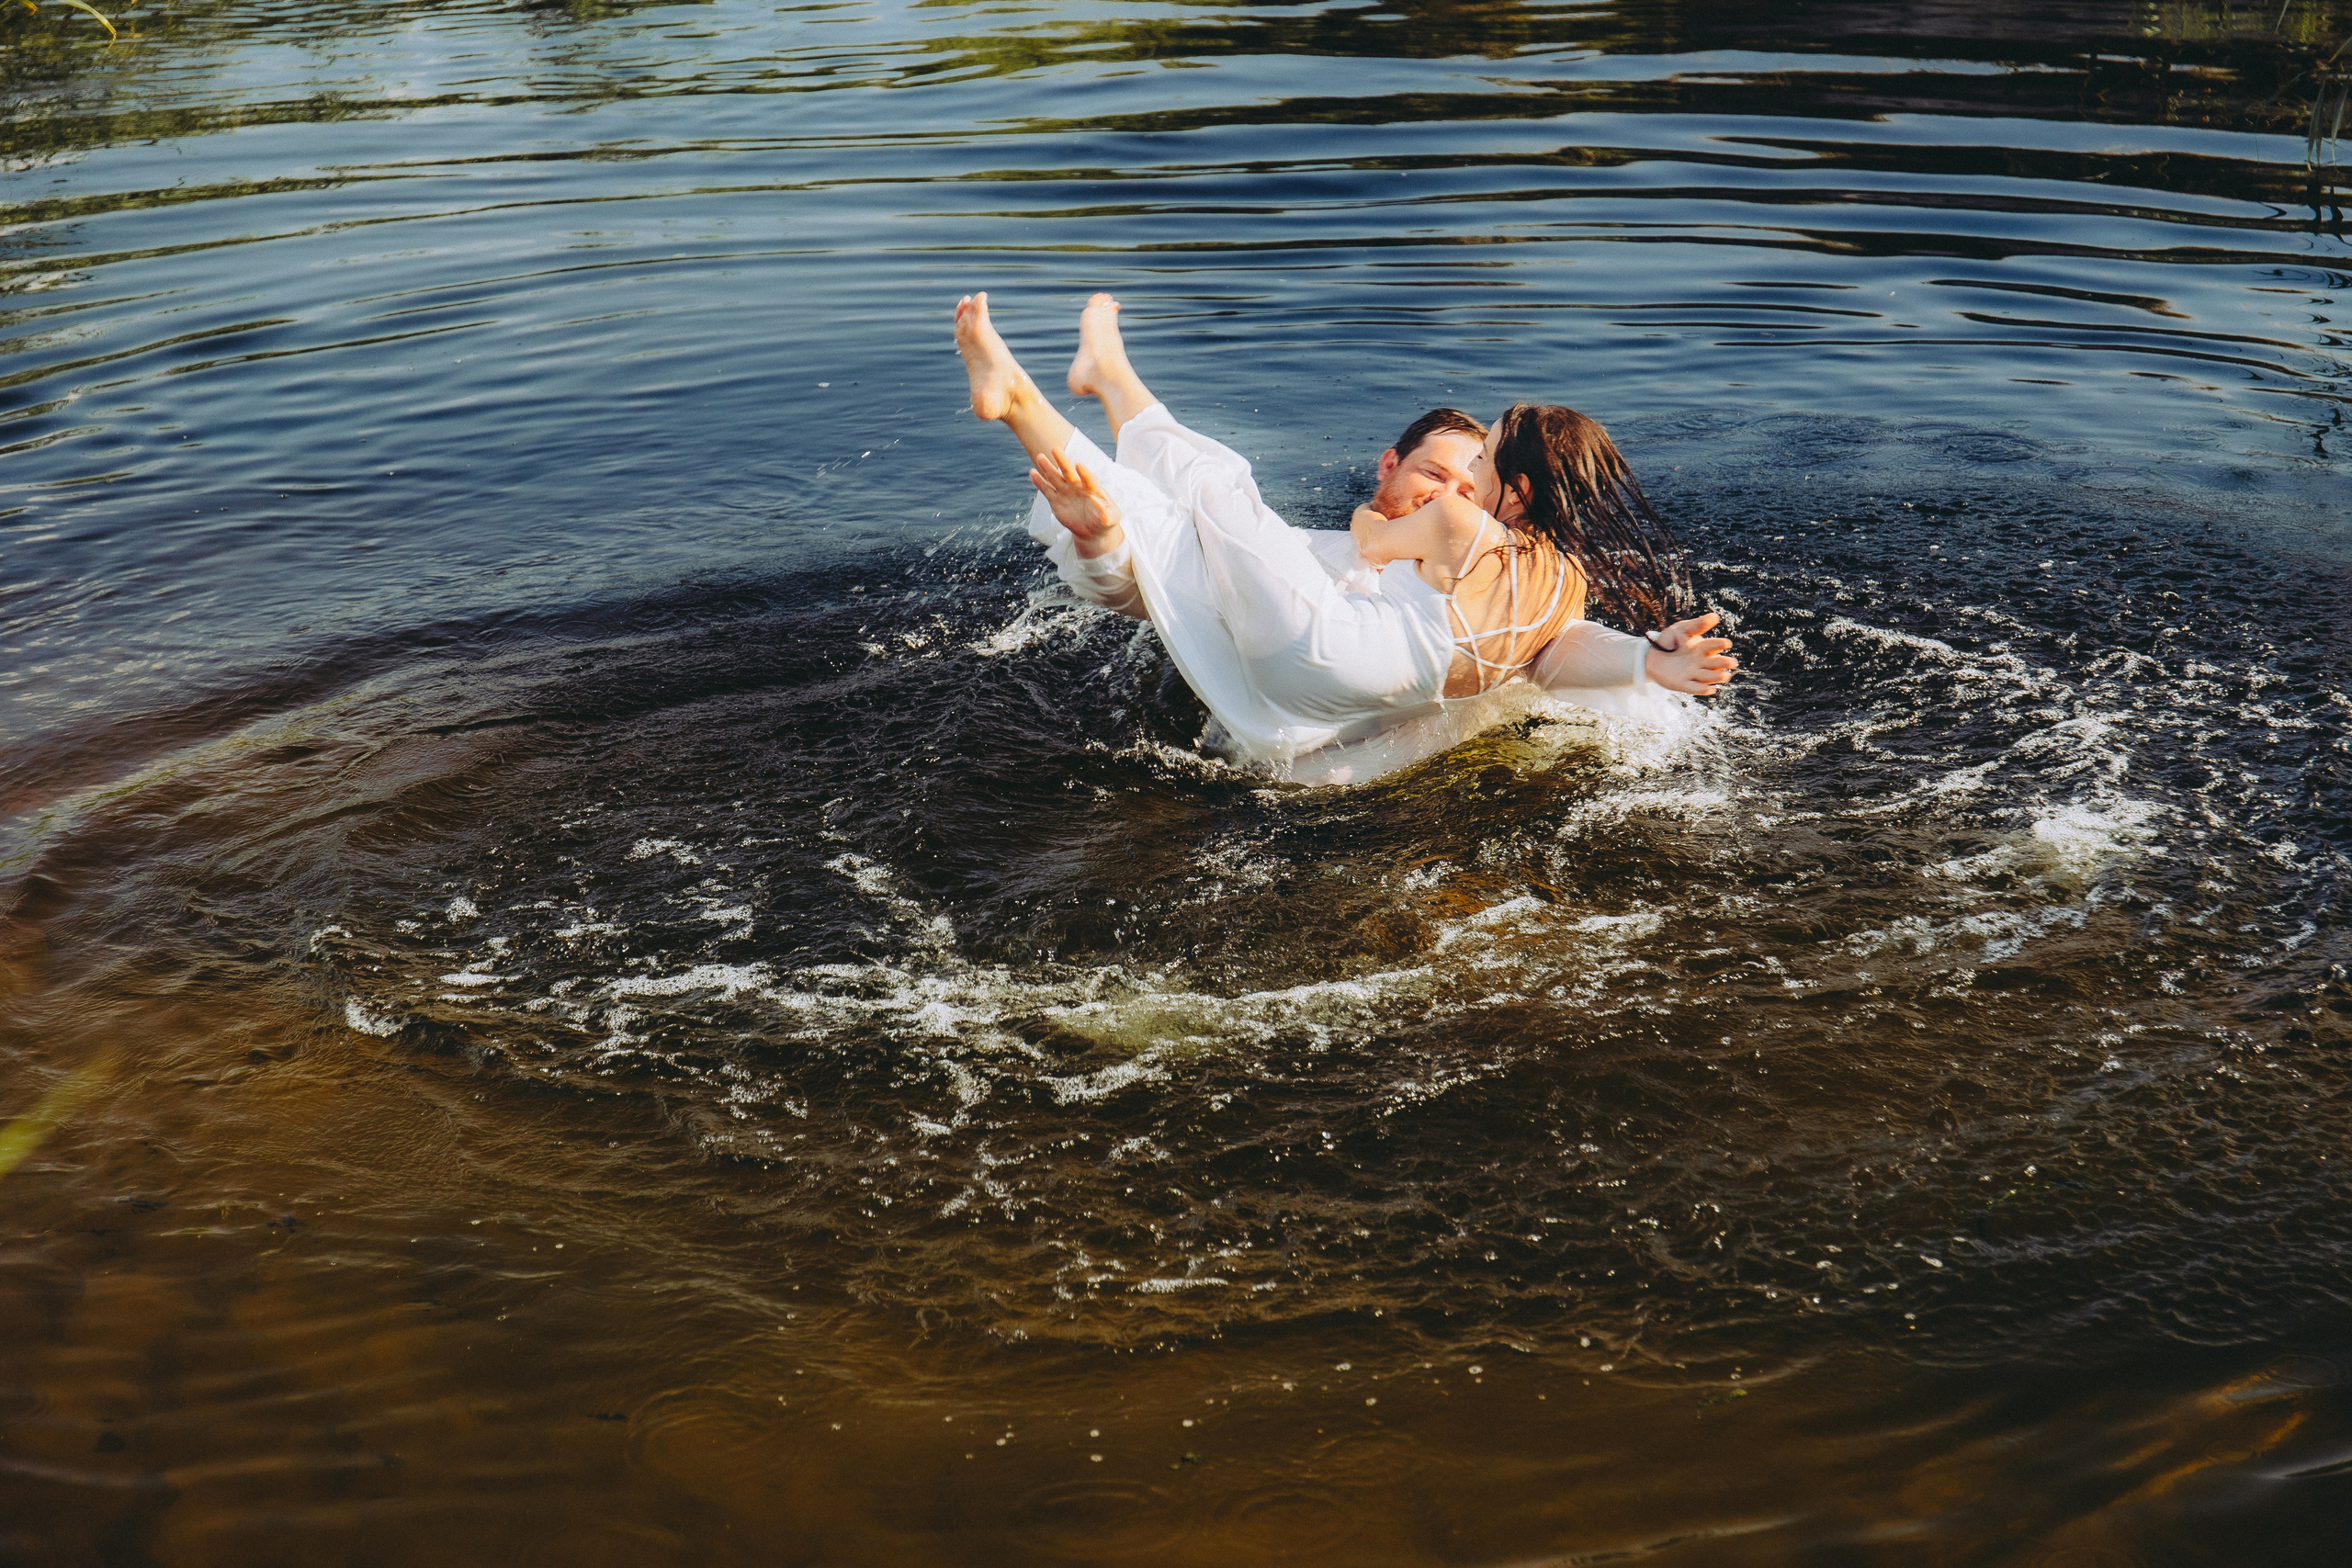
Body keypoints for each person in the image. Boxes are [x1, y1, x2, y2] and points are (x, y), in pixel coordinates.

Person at [954, 291, 1736, 782]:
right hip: (1341, 694)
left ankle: (1033, 396)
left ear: (1517, 489)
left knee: (1217, 488)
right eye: (1445, 470)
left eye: (1484, 461)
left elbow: (1368, 544)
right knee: (1176, 533)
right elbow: (1562, 651)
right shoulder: (1559, 578)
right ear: (1390, 462)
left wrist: (1383, 524)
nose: (1465, 482)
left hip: (1322, 653)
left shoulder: (1461, 530)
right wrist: (1648, 659)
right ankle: (1100, 410)